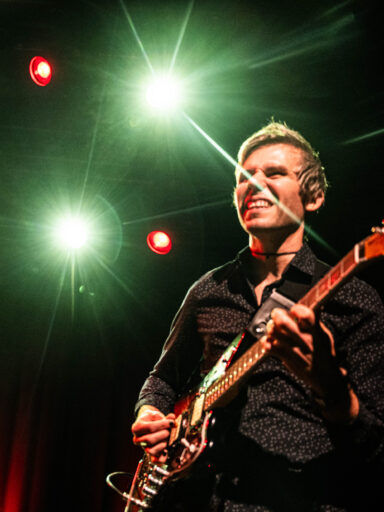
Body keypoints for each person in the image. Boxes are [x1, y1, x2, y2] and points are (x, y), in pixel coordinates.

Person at [131, 122, 384, 510]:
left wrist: (332, 389)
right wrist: (150, 413)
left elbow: (376, 447)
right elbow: (162, 380)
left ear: (312, 196)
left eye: (275, 173)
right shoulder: (208, 290)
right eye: (245, 175)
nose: (254, 182)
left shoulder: (355, 299)